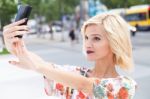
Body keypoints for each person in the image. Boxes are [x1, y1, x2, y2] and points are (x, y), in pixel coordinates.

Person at [3, 13, 137, 99]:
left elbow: (87, 86)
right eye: (86, 37)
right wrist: (14, 47)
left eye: (96, 38)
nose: (87, 44)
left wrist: (37, 66)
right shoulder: (76, 74)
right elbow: (46, 66)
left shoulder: (125, 86)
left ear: (115, 42)